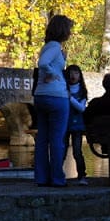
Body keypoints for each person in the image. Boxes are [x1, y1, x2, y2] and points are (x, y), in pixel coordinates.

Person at [34, 14, 73, 187]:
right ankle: (57, 178)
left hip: (41, 95)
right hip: (56, 97)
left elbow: (43, 61)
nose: (71, 32)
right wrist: (54, 74)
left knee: (42, 138)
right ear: (63, 30)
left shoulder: (47, 46)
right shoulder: (55, 47)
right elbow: (42, 63)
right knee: (57, 139)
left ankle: (42, 177)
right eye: (69, 29)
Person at [64, 64, 89, 185]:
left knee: (77, 151)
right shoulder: (63, 88)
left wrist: (70, 98)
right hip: (64, 124)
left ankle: (82, 175)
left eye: (76, 73)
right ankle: (58, 174)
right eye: (71, 73)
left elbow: (82, 108)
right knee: (62, 150)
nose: (73, 76)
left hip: (77, 126)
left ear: (80, 76)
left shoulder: (82, 91)